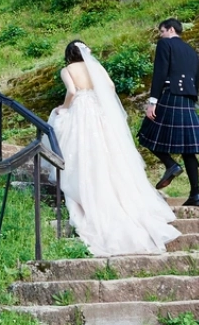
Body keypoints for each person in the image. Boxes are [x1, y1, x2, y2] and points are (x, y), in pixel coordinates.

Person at [47, 39, 181, 257]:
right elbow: (110, 87)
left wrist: (63, 107)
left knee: (79, 145)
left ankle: (83, 184)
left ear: (69, 54)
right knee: (107, 150)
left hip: (81, 108)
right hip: (98, 109)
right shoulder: (96, 67)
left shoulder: (67, 69)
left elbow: (71, 91)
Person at [138, 18, 199, 207]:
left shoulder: (165, 44)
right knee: (188, 149)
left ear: (171, 29)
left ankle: (171, 164)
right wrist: (192, 99)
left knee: (146, 133)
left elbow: (159, 72)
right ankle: (196, 195)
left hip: (170, 95)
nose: (161, 35)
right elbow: (197, 78)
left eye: (162, 31)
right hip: (187, 99)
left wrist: (153, 101)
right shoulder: (191, 50)